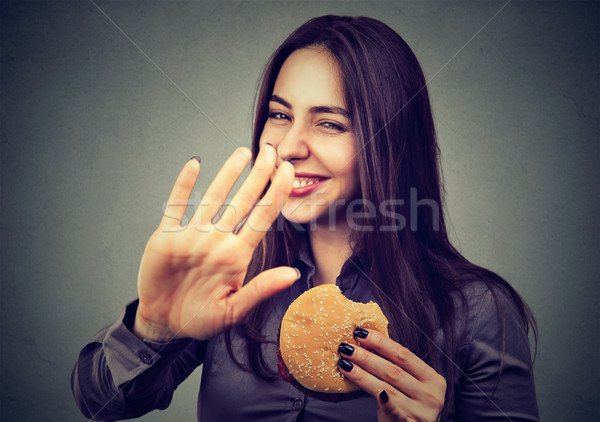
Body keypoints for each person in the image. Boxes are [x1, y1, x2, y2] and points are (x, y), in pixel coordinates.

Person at [71, 15, 539, 422]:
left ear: (390, 141)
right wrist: (151, 325)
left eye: (329, 122)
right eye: (279, 115)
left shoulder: (477, 310)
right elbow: (101, 405)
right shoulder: (232, 278)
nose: (290, 147)